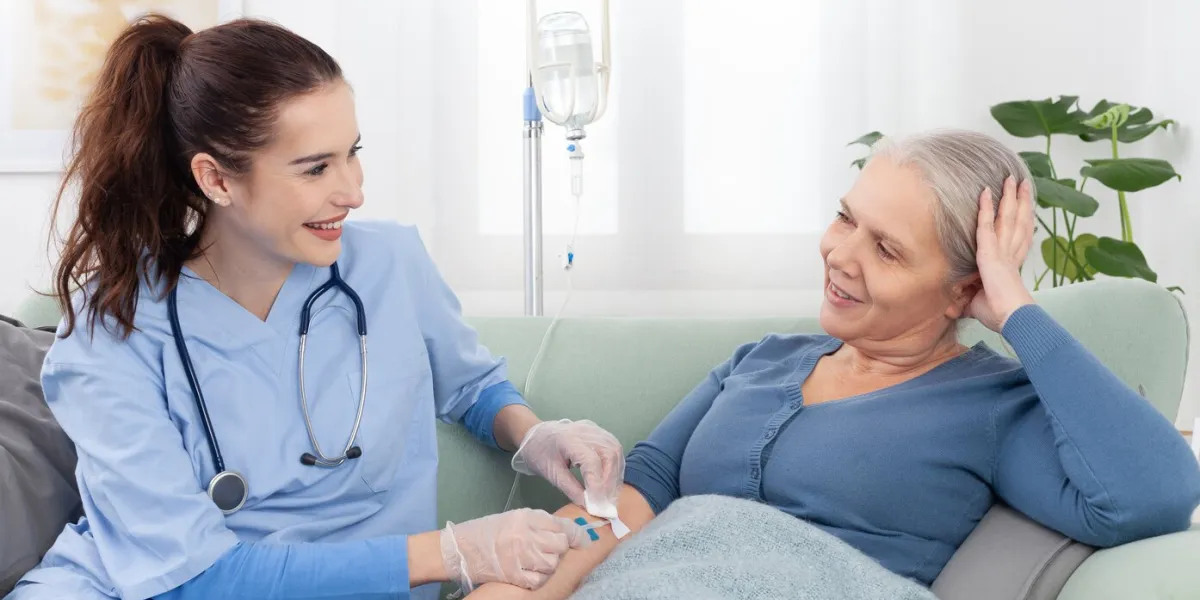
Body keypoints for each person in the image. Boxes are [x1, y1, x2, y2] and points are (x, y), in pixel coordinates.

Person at [5, 14, 626, 600]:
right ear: (216, 179)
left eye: (353, 152)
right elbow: (192, 580)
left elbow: (468, 386)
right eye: (316, 168)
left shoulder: (388, 264)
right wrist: (453, 553)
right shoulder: (109, 330)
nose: (353, 191)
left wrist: (535, 434)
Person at [466, 129, 1200, 599]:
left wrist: (1015, 309)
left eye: (886, 249)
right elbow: (638, 494)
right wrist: (517, 585)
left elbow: (1153, 496)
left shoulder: (993, 407)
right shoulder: (761, 362)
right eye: (847, 217)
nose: (841, 256)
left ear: (963, 290)